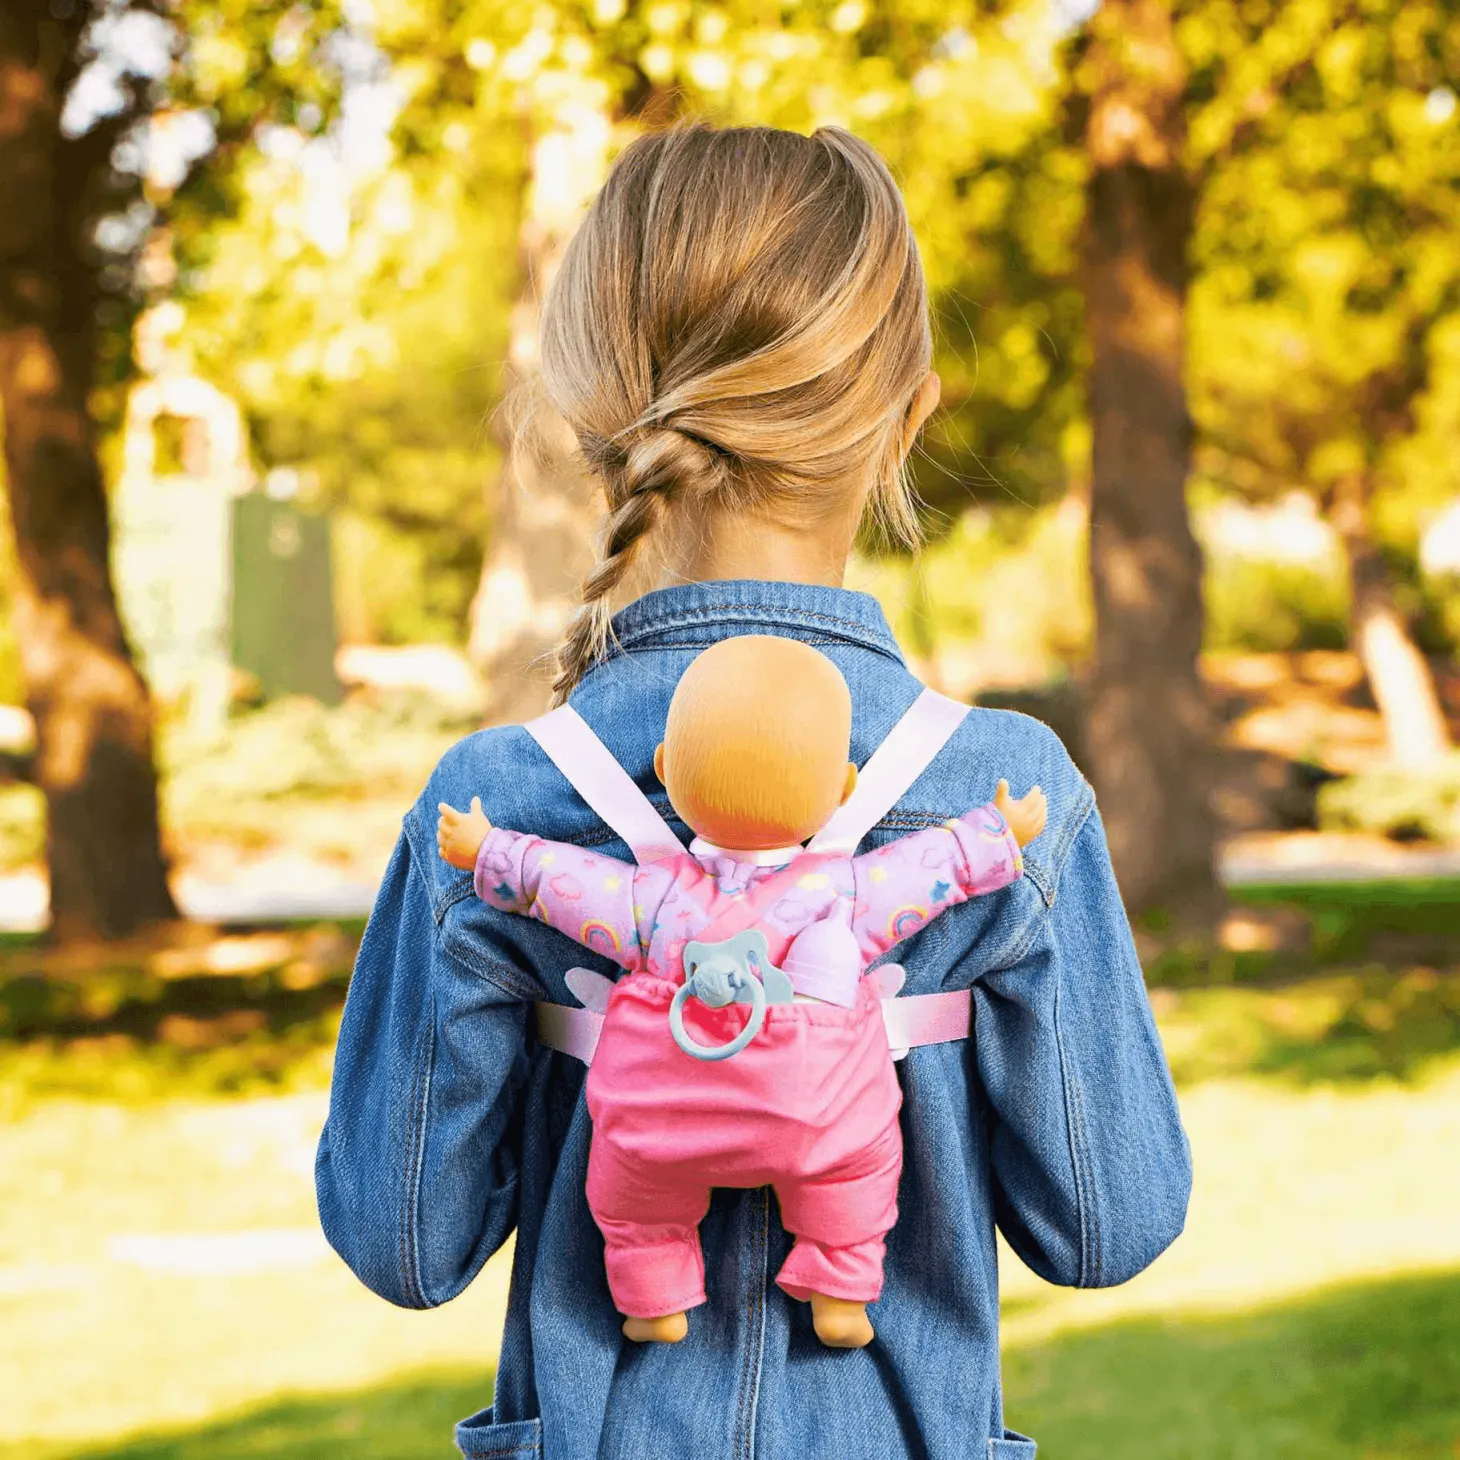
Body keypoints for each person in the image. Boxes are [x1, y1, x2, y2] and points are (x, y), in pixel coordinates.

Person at [316, 122, 1192, 1460]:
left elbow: (404, 1242)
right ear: (908, 416)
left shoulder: (493, 808)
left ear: (595, 420)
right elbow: (1108, 1225)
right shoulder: (1006, 798)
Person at [435, 634, 1048, 1350]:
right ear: (845, 790)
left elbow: (561, 883)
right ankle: (840, 1290)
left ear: (665, 770)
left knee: (632, 1199)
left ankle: (652, 1296)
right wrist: (997, 834)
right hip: (817, 1121)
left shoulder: (654, 901)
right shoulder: (843, 895)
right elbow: (928, 869)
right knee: (861, 1169)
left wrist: (488, 851)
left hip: (662, 1125)